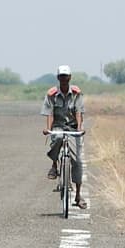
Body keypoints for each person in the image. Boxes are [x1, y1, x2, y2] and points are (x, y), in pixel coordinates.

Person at [41, 64, 86, 209]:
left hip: (72, 128)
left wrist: (79, 128)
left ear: (70, 77)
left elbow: (79, 112)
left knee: (77, 160)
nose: (64, 80)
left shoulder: (77, 93)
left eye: (66, 77)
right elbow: (49, 113)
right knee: (58, 138)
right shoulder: (51, 94)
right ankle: (54, 165)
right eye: (61, 77)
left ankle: (78, 196)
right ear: (58, 78)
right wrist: (48, 129)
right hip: (58, 126)